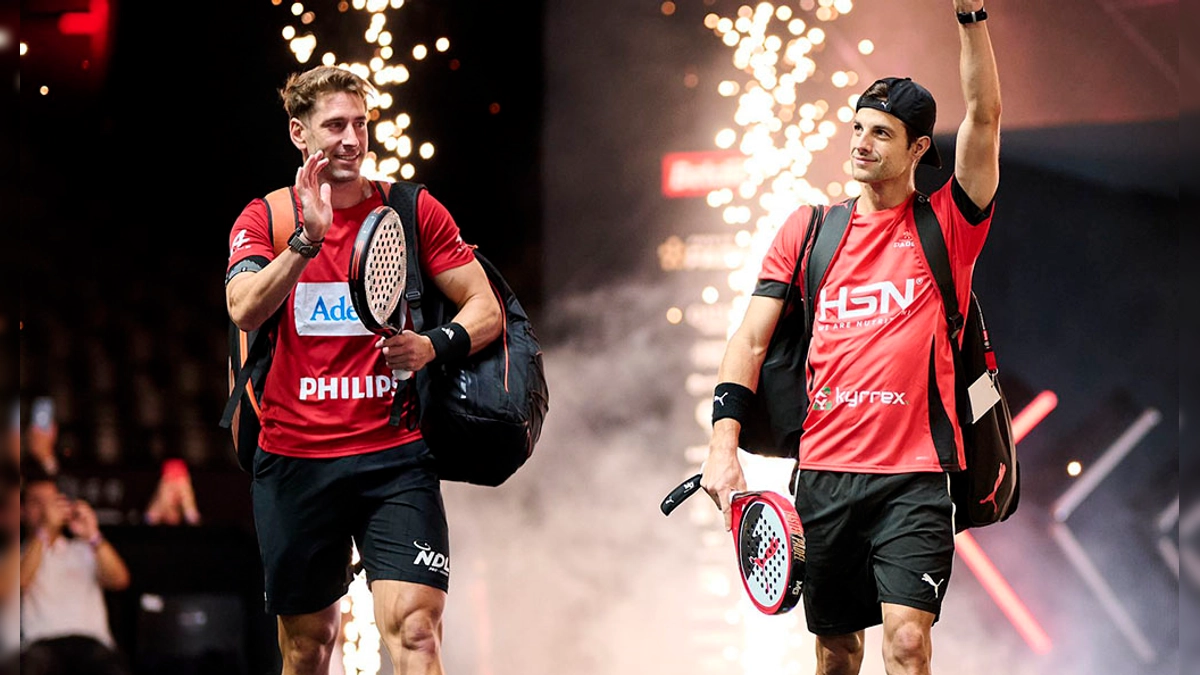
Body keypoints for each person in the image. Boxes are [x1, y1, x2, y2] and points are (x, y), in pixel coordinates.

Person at [700, 3, 1001, 674]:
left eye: (882, 133)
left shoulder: (947, 226)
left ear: (920, 147)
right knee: (837, 651)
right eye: (858, 127)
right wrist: (722, 446)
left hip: (915, 481)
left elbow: (984, 117)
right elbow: (749, 341)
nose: (861, 142)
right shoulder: (808, 230)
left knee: (906, 641)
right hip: (826, 478)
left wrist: (971, 17)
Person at [224, 64, 502, 675]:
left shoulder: (412, 210)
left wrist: (435, 342)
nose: (352, 139)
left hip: (395, 460)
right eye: (334, 126)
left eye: (360, 124)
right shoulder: (264, 219)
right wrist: (306, 241)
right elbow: (243, 309)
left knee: (417, 631)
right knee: (308, 648)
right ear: (300, 134)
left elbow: (488, 309)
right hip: (295, 463)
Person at [18, 465, 132, 675]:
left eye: (52, 503)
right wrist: (44, 532)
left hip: (91, 643)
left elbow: (120, 580)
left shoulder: (84, 548)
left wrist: (93, 535)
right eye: (36, 503)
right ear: (21, 511)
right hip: (42, 645)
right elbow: (18, 583)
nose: (45, 510)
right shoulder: (18, 555)